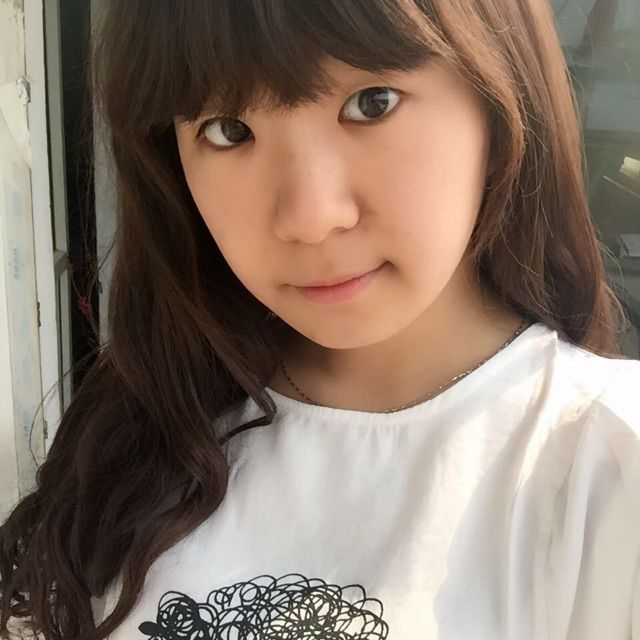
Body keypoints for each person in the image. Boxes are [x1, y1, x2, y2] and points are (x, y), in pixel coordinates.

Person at [1, 0, 639, 638]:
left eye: (373, 103)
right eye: (228, 130)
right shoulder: (146, 416)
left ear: (498, 102)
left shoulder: (606, 462)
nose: (310, 218)